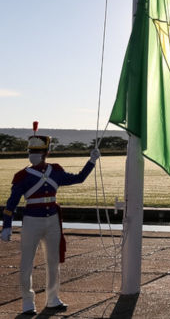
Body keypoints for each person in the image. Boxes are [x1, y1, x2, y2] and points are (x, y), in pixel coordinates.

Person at [1, 131, 100, 315]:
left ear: (46, 153)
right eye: (31, 151)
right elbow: (12, 202)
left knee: (53, 262)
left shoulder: (54, 171)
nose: (33, 154)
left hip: (52, 220)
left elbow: (78, 178)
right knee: (26, 264)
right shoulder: (22, 176)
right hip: (32, 221)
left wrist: (91, 162)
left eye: (37, 151)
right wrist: (7, 224)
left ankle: (53, 298)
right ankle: (27, 301)